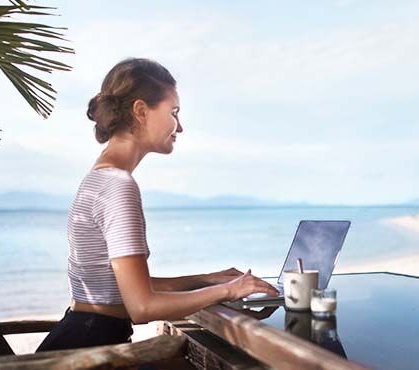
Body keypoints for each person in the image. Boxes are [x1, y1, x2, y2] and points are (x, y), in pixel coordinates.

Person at [36, 58, 278, 352]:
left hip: (81, 339)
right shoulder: (118, 186)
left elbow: (121, 287)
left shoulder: (100, 177)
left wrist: (205, 280)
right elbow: (142, 306)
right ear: (140, 111)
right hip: (88, 354)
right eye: (174, 112)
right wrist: (228, 290)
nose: (181, 127)